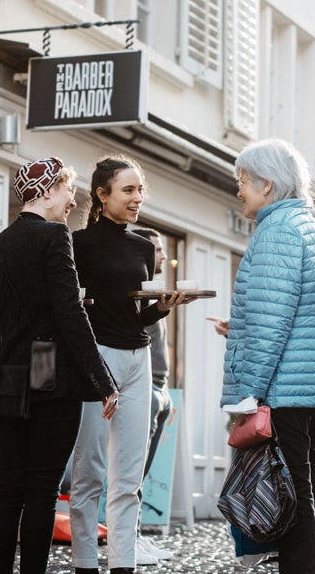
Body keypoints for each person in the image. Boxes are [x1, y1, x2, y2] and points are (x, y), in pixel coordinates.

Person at [0, 156, 120, 574]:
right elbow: (69, 312)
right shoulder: (54, 236)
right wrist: (103, 379)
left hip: (7, 376)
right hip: (46, 367)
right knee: (42, 488)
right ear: (46, 193)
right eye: (67, 189)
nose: (72, 198)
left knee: (9, 484)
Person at [218, 139, 315, 574]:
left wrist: (250, 392)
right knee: (304, 485)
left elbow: (273, 322)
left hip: (287, 387)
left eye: (243, 181)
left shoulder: (277, 231)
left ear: (267, 184)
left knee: (291, 491)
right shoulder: (308, 227)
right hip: (308, 384)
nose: (239, 190)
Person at [69, 156, 191, 574]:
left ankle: (123, 564)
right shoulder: (77, 246)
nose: (138, 198)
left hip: (139, 359)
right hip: (96, 360)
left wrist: (161, 308)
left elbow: (135, 315)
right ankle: (85, 562)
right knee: (89, 471)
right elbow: (76, 312)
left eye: (140, 190)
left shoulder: (143, 246)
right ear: (101, 196)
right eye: (128, 190)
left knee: (129, 476)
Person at [130, 228, 174, 565]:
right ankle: (127, 540)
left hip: (160, 386)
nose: (161, 256)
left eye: (161, 250)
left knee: (143, 472)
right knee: (133, 471)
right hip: (144, 386)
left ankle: (136, 536)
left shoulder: (154, 290)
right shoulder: (135, 291)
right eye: (156, 249)